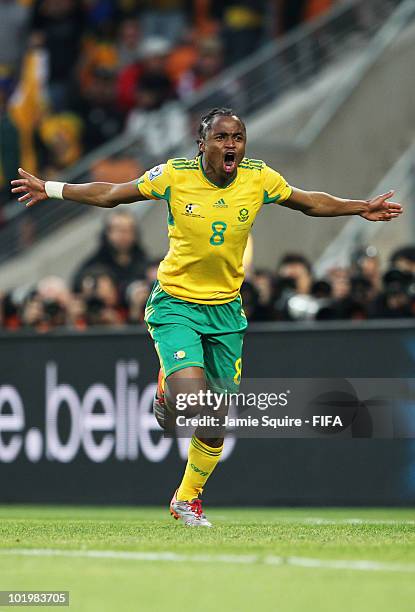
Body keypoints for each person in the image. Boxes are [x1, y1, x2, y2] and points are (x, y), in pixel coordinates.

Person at [11, 107, 403, 527]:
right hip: (176, 303)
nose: (231, 144)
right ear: (202, 145)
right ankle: (167, 389)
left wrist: (359, 206)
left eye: (237, 136)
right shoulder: (174, 175)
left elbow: (308, 202)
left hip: (227, 312)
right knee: (187, 406)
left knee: (214, 422)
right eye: (221, 137)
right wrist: (51, 188)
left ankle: (186, 499)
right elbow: (110, 194)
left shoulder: (258, 177)